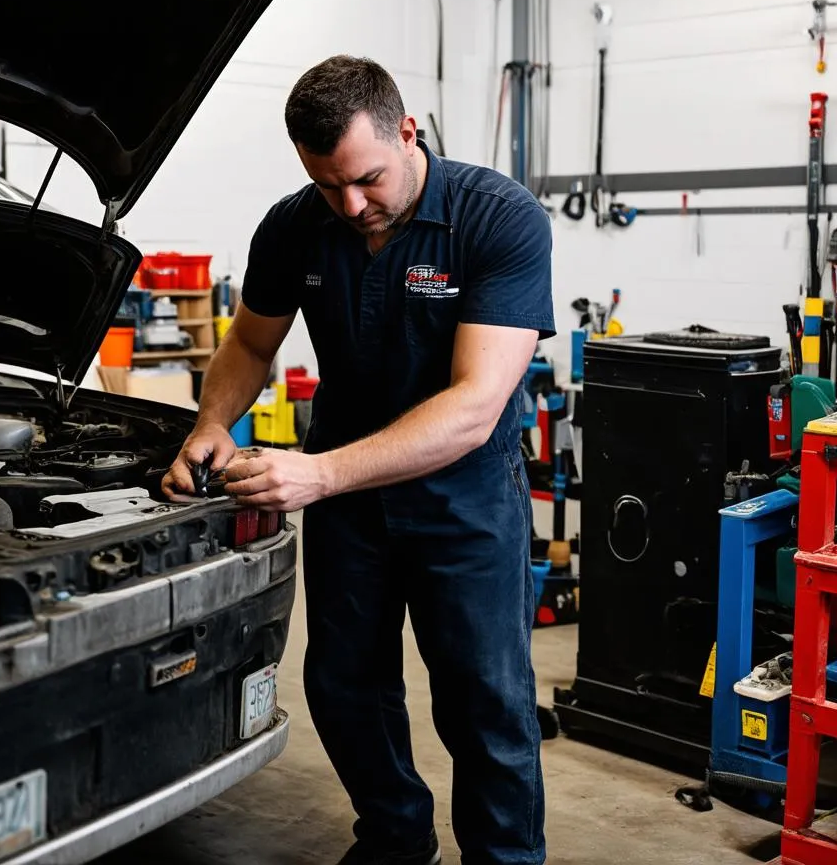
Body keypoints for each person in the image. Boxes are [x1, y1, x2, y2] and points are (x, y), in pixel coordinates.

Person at [163, 55, 554, 865]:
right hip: (349, 511)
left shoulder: (498, 219)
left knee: (485, 703)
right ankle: (397, 838)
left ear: (407, 132)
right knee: (344, 689)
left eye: (367, 180)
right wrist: (211, 422)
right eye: (327, 185)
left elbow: (476, 407)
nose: (351, 206)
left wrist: (320, 473)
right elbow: (248, 341)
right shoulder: (296, 223)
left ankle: (506, 859)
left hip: (464, 503)